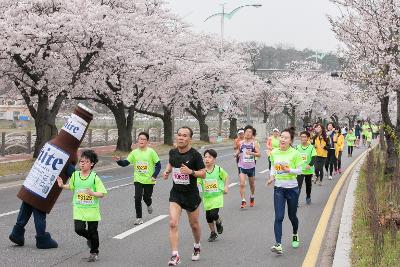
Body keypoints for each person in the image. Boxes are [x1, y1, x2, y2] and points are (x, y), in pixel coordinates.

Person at [162, 127, 206, 266]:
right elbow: (172, 162)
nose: (181, 138)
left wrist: (191, 172)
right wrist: (167, 171)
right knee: (173, 223)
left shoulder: (195, 155)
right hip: (176, 194)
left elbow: (203, 173)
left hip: (191, 195)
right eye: (179, 135)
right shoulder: (173, 152)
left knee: (194, 225)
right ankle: (175, 255)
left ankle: (197, 245)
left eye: (184, 136)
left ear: (190, 139)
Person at [57, 150, 107, 262]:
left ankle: (94, 252)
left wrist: (93, 193)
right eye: (81, 161)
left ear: (92, 164)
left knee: (93, 231)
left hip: (92, 210)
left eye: (86, 161)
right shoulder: (75, 175)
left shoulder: (94, 177)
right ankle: (90, 238)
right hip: (79, 208)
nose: (82, 163)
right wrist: (62, 186)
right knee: (78, 229)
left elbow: (102, 193)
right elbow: (72, 186)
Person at [266, 127, 303, 255]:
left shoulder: (295, 153)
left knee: (292, 216)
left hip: (292, 188)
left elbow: (300, 170)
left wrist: (289, 170)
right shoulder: (274, 152)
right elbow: (272, 167)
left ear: (291, 140)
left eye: (286, 137)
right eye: (281, 136)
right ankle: (278, 244)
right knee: (279, 217)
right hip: (279, 188)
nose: (282, 139)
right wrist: (271, 177)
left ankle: (295, 233)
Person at [112, 132, 161, 225]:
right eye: (139, 139)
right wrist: (119, 161)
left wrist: (154, 176)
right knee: (137, 198)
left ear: (147, 141)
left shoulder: (151, 152)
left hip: (149, 180)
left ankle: (149, 204)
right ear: (137, 140)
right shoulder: (134, 153)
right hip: (138, 179)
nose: (141, 141)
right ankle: (139, 218)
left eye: (143, 139)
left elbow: (158, 165)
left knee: (146, 197)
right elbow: (126, 163)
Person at [197, 149, 229, 242]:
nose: (207, 159)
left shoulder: (218, 169)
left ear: (214, 159)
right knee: (208, 217)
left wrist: (226, 187)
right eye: (205, 157)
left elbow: (226, 176)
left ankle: (218, 222)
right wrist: (197, 189)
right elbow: (198, 182)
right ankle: (213, 233)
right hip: (207, 197)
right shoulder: (201, 171)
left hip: (217, 196)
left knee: (214, 214)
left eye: (209, 157)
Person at [236, 125, 261, 209]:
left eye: (250, 132)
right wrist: (236, 154)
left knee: (252, 184)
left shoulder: (254, 143)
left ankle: (252, 195)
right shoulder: (241, 143)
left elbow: (259, 154)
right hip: (241, 165)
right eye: (246, 131)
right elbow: (239, 151)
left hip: (251, 166)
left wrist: (251, 153)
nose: (247, 133)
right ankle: (243, 200)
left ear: (252, 134)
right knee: (242, 183)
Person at [296, 131, 316, 205]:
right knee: (298, 185)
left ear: (308, 138)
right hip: (300, 169)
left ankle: (308, 196)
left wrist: (310, 165)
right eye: (301, 137)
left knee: (308, 185)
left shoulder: (311, 147)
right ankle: (296, 200)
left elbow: (314, 157)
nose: (303, 138)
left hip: (308, 170)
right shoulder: (297, 147)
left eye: (304, 137)